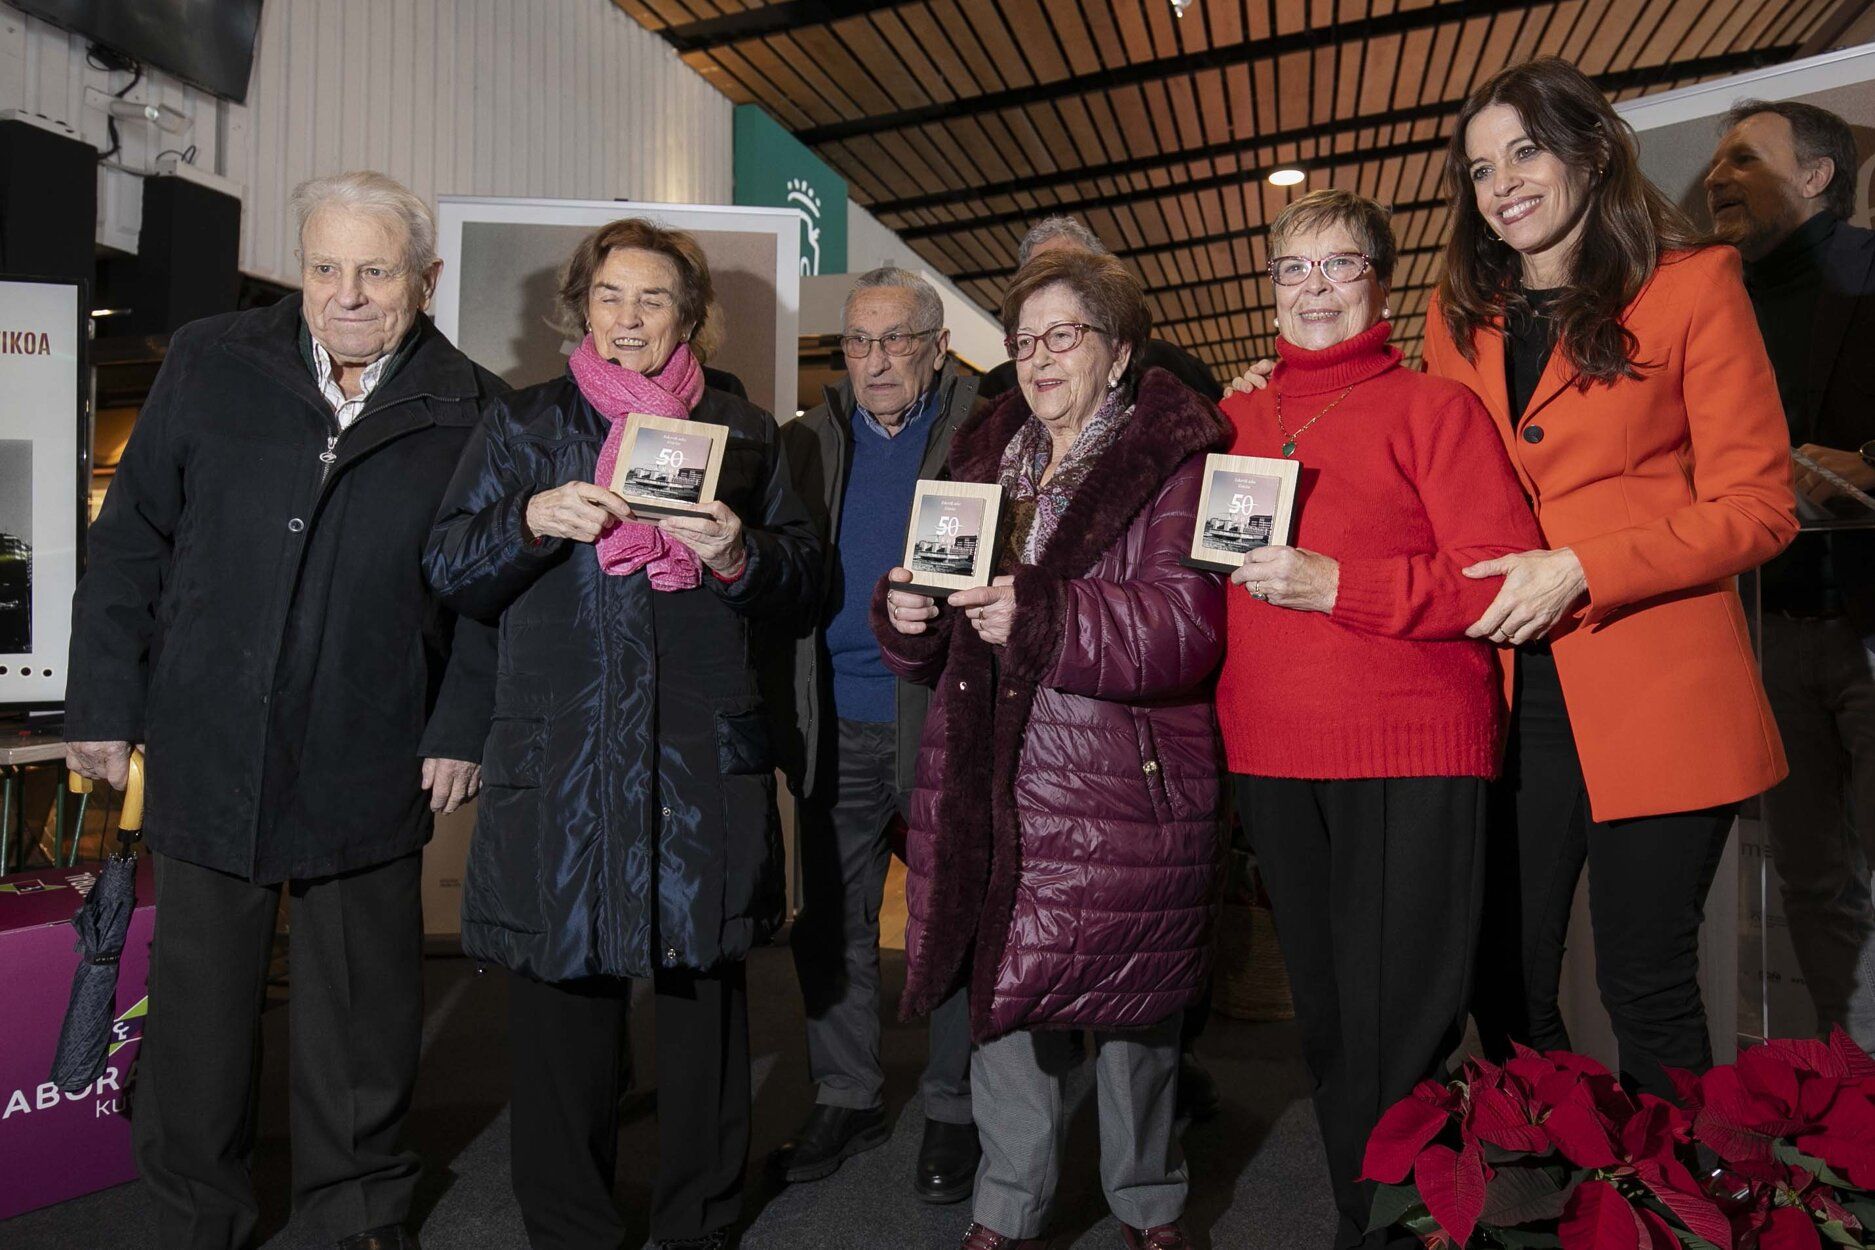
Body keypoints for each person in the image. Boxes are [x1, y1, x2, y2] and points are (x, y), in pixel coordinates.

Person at [64, 171, 504, 1250]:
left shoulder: (473, 406)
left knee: (360, 1011)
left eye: (375, 270)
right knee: (199, 1013)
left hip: (373, 738)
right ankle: (191, 1214)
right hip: (210, 735)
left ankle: (354, 1211)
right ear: (298, 267)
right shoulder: (213, 359)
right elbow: (130, 544)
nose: (346, 293)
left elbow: (490, 590)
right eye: (323, 266)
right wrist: (106, 701)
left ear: (426, 280)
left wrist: (459, 721)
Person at [424, 217, 818, 1250]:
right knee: (562, 1003)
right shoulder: (523, 427)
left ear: (689, 313)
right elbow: (449, 568)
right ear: (580, 305)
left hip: (695, 757)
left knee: (704, 1003)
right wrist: (528, 521)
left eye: (653, 299)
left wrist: (740, 551)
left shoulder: (749, 428)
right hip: (563, 756)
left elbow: (804, 582)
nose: (630, 317)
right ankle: (569, 1226)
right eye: (611, 295)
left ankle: (700, 1219)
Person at [1426, 58, 1797, 1096]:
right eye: (1481, 166)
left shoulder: (1694, 284)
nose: (1503, 182)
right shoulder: (1456, 312)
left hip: (1661, 686)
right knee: (1503, 979)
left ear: (1589, 150)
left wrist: (1584, 565)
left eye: (1526, 151)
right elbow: (1425, 479)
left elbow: (1760, 505)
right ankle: (1563, 1180)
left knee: (1644, 980)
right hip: (1510, 692)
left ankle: (1676, 1201)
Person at [874, 248, 1228, 1250]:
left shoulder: (1174, 463)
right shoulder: (983, 458)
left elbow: (1181, 627)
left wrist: (1035, 611)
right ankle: (1010, 1202)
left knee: (1132, 1007)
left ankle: (1149, 1201)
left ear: (1116, 352)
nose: (1039, 358)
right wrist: (908, 614)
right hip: (991, 770)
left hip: (1122, 772)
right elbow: (942, 628)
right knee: (1007, 1000)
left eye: (1063, 335)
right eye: (1024, 340)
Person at [1216, 188, 1543, 1250]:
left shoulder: (1436, 409)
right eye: (1294, 269)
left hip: (1407, 748)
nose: (1315, 288)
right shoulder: (1234, 417)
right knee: (1326, 1021)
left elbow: (1495, 584)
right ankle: (1387, 1216)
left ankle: (1399, 1227)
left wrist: (1340, 585)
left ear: (1381, 281)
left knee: (1399, 1029)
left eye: (1340, 265)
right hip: (1272, 752)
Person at [764, 267, 982, 1200]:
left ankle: (954, 1108)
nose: (877, 359)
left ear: (937, 346)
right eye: (859, 341)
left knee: (952, 920)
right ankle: (846, 1093)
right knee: (833, 925)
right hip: (834, 715)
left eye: (897, 339)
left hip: (942, 715)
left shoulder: (988, 433)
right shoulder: (802, 444)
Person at [1706, 99, 1875, 1048]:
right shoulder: (1714, 300)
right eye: (1718, 162)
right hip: (1769, 626)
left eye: (1744, 158)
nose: (1717, 177)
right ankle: (1853, 1095)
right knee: (1811, 880)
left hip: (1867, 617)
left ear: (1816, 176)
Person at [976, 216, 1223, 406]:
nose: (1056, 291)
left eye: (1072, 273)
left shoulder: (1167, 367)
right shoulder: (997, 390)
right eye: (1038, 278)